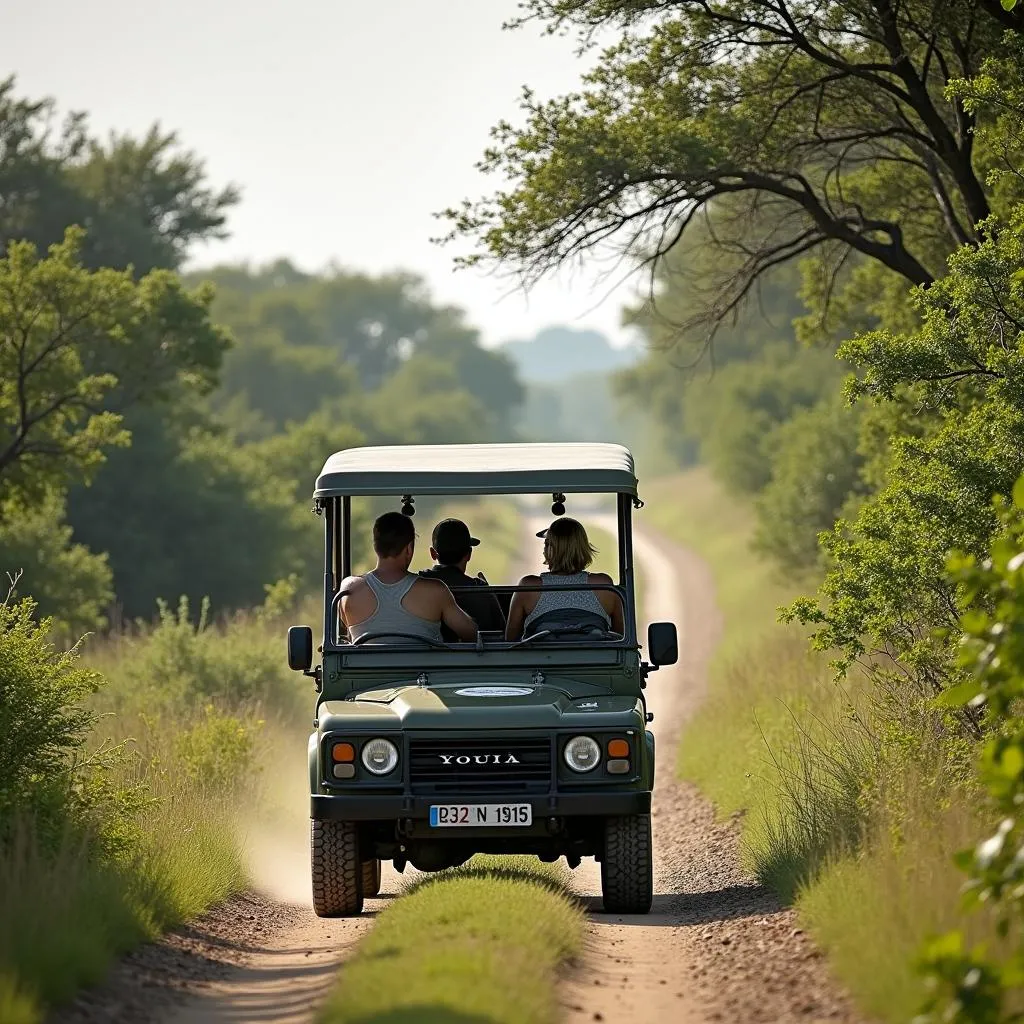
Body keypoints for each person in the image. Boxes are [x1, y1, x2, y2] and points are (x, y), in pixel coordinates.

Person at [339, 511, 477, 644]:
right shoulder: (436, 591)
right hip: (423, 668)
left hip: (363, 667)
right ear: (409, 549)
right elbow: (470, 633)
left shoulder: (349, 589)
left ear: (376, 547)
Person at [505, 517, 623, 641]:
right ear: (583, 547)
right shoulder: (603, 585)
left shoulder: (529, 586)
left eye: (546, 544)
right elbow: (620, 638)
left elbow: (511, 640)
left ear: (549, 548)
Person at [419, 518, 506, 641]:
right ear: (469, 554)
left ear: (433, 553)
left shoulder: (415, 584)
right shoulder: (481, 590)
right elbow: (501, 634)